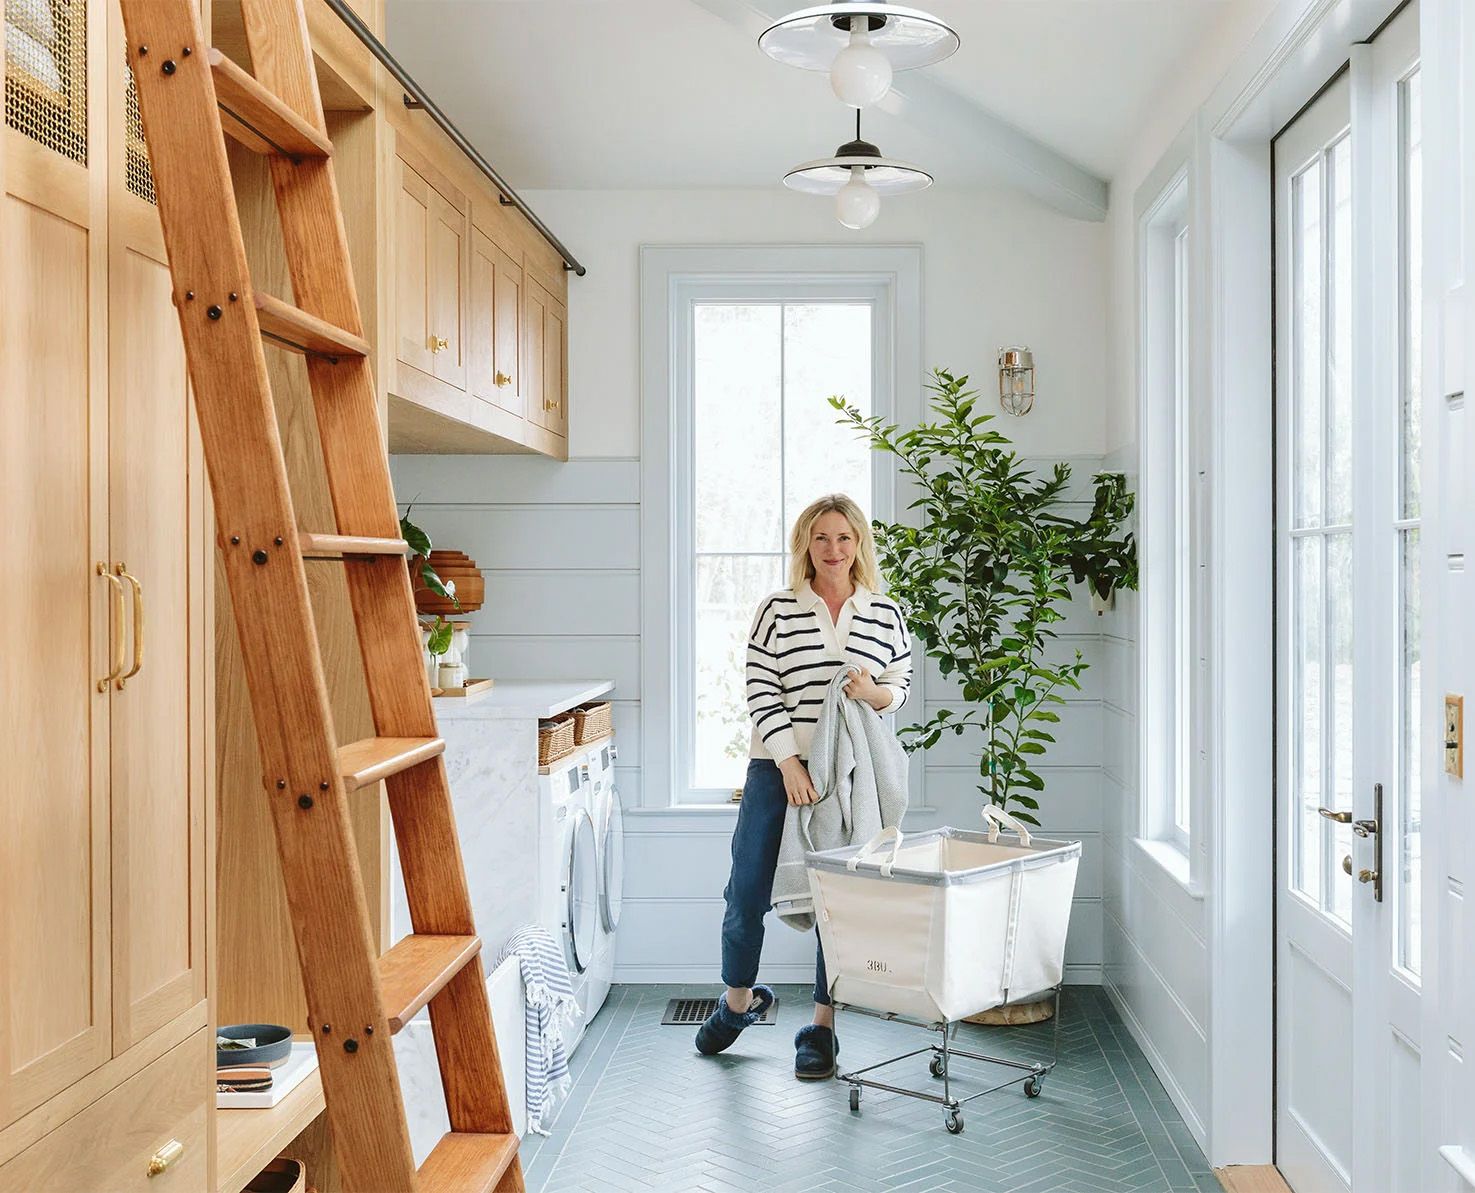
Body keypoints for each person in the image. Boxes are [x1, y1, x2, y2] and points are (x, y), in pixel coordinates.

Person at [694, 493, 913, 1079]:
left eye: (844, 538)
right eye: (821, 538)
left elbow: (899, 688)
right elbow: (760, 687)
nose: (833, 550)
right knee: (746, 892)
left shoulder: (885, 613)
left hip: (849, 776)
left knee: (838, 900)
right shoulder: (778, 610)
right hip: (777, 770)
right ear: (805, 547)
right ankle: (737, 1002)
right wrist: (790, 763)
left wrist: (870, 692)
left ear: (859, 544)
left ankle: (821, 1027)